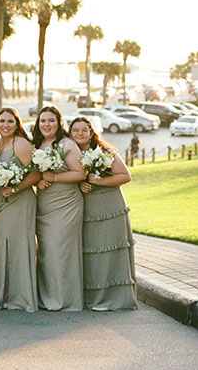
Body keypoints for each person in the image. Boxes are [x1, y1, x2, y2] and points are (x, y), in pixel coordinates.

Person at [70, 117, 137, 311]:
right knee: (93, 252)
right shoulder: (70, 153)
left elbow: (125, 176)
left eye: (84, 130)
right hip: (88, 209)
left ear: (92, 133)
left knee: (110, 251)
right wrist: (80, 183)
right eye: (76, 130)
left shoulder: (105, 152)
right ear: (70, 133)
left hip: (110, 206)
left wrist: (98, 181)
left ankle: (113, 298)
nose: (80, 134)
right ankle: (94, 296)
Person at [33, 106, 86, 311]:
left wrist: (54, 177)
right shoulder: (37, 145)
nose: (47, 125)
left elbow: (80, 173)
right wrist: (38, 182)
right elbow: (36, 173)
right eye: (43, 121)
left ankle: (65, 299)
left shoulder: (67, 144)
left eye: (51, 121)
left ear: (59, 123)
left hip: (66, 204)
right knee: (47, 252)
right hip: (45, 204)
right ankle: (48, 297)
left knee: (61, 251)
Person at [0, 107, 40, 312]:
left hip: (20, 201)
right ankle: (3, 295)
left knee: (19, 247)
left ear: (17, 123)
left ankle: (21, 296)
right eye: (1, 121)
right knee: (2, 247)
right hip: (1, 203)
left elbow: (37, 174)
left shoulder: (20, 144)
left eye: (10, 121)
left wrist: (16, 188)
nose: (5, 125)